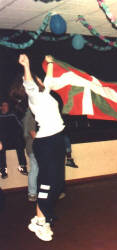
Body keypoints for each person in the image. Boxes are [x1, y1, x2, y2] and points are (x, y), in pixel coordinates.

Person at [19, 54, 66, 241]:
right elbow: (29, 85)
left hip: (55, 140)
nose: (42, 80)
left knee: (57, 183)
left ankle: (43, 218)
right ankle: (39, 221)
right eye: (40, 78)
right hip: (46, 143)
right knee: (47, 183)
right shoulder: (35, 97)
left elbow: (48, 80)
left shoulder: (44, 94)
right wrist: (27, 66)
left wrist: (52, 63)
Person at [0, 100, 28, 178]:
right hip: (2, 141)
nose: (5, 107)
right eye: (4, 105)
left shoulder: (12, 115)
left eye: (7, 105)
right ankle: (3, 170)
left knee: (19, 143)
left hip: (12, 140)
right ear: (1, 107)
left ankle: (22, 166)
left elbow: (21, 126)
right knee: (1, 147)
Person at [22, 108, 39, 202]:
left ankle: (33, 193)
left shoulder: (26, 116)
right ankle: (32, 193)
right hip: (34, 147)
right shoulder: (31, 116)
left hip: (30, 146)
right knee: (35, 169)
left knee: (35, 169)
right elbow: (33, 133)